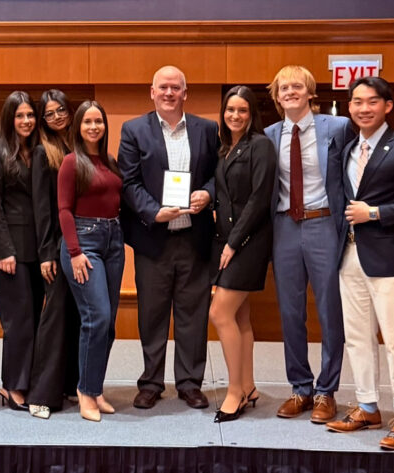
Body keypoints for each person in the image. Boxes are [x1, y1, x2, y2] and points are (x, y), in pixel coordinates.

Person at [325, 77, 394, 450]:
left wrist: (374, 213)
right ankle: (368, 406)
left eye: (372, 101)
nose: (363, 108)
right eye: (356, 102)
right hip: (349, 255)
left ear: (387, 106)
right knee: (357, 337)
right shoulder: (346, 147)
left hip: (389, 257)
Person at [119, 65, 219, 410]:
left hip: (194, 238)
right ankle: (150, 382)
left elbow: (218, 175)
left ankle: (190, 383)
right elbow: (128, 182)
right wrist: (153, 211)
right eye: (163, 87)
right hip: (154, 239)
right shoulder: (133, 130)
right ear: (152, 91)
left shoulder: (207, 129)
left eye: (175, 87)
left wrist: (207, 194)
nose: (168, 93)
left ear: (184, 93)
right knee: (152, 314)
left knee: (193, 314)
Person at [265, 65, 355, 423]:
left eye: (296, 86)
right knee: (290, 312)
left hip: (323, 225)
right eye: (283, 87)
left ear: (309, 92)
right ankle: (300, 387)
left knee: (330, 312)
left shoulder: (337, 127)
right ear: (276, 95)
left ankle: (326, 391)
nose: (290, 91)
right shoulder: (269, 134)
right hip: (285, 226)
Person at [209, 86, 276, 423]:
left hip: (249, 241)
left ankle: (234, 391)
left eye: (242, 111)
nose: (235, 116)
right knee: (240, 318)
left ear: (252, 114)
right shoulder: (225, 147)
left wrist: (233, 243)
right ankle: (248, 387)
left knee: (220, 313)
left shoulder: (261, 145)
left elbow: (259, 199)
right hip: (228, 238)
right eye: (230, 110)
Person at [58, 100, 124, 422]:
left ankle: (95, 388)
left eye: (98, 121)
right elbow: (64, 210)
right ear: (78, 127)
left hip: (114, 241)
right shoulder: (72, 162)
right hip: (84, 243)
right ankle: (84, 392)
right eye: (87, 122)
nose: (94, 127)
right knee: (95, 317)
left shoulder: (109, 161)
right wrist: (75, 252)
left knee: (108, 323)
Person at [0, 91, 44, 412]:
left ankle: (23, 381)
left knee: (32, 319)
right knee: (18, 321)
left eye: (30, 115)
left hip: (35, 250)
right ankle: (13, 387)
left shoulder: (36, 152)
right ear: (9, 119)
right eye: (19, 116)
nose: (26, 121)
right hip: (9, 253)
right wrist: (5, 251)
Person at [27, 89, 81, 419]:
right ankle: (41, 393)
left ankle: (66, 384)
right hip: (56, 247)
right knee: (55, 318)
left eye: (61, 109)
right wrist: (47, 252)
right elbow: (41, 209)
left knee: (75, 316)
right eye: (49, 113)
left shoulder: (78, 148)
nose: (57, 116)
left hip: (80, 243)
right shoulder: (40, 154)